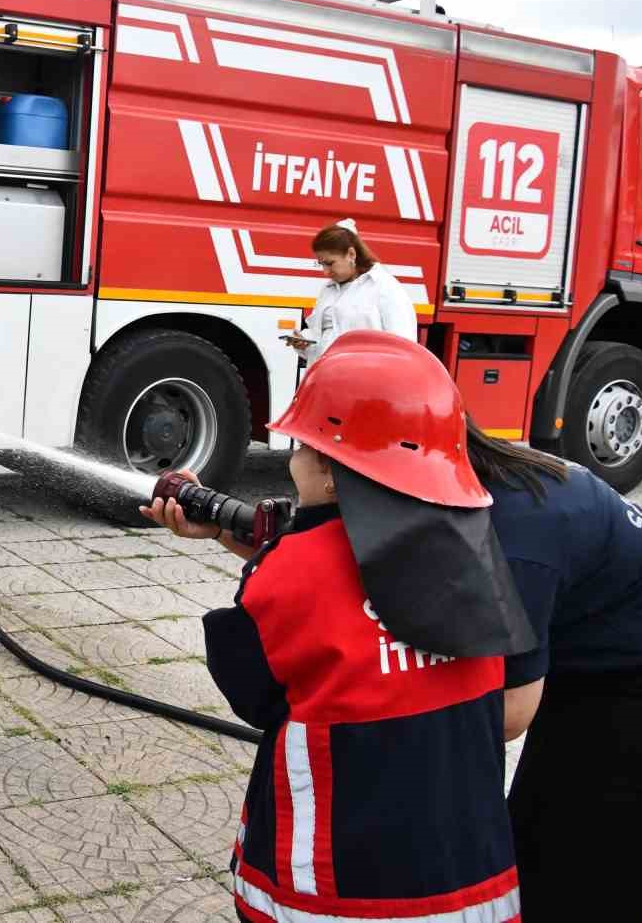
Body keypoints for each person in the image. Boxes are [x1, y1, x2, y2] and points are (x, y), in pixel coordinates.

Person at [143, 331, 527, 922]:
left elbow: (255, 691)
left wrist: (269, 560)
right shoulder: (478, 554)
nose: (291, 457)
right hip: (473, 887)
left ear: (328, 469)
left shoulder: (288, 572)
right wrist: (230, 533)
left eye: (298, 446)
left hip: (334, 893)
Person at [466, 422, 642, 921]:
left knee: (589, 875)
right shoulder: (489, 472)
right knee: (535, 839)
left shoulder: (517, 539)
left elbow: (511, 711)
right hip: (601, 653)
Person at [290, 219, 416, 363]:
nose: (325, 272)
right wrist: (305, 343)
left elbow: (403, 349)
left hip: (364, 381)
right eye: (321, 264)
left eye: (330, 263)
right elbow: (322, 341)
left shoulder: (386, 288)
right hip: (325, 378)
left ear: (351, 254)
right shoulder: (328, 290)